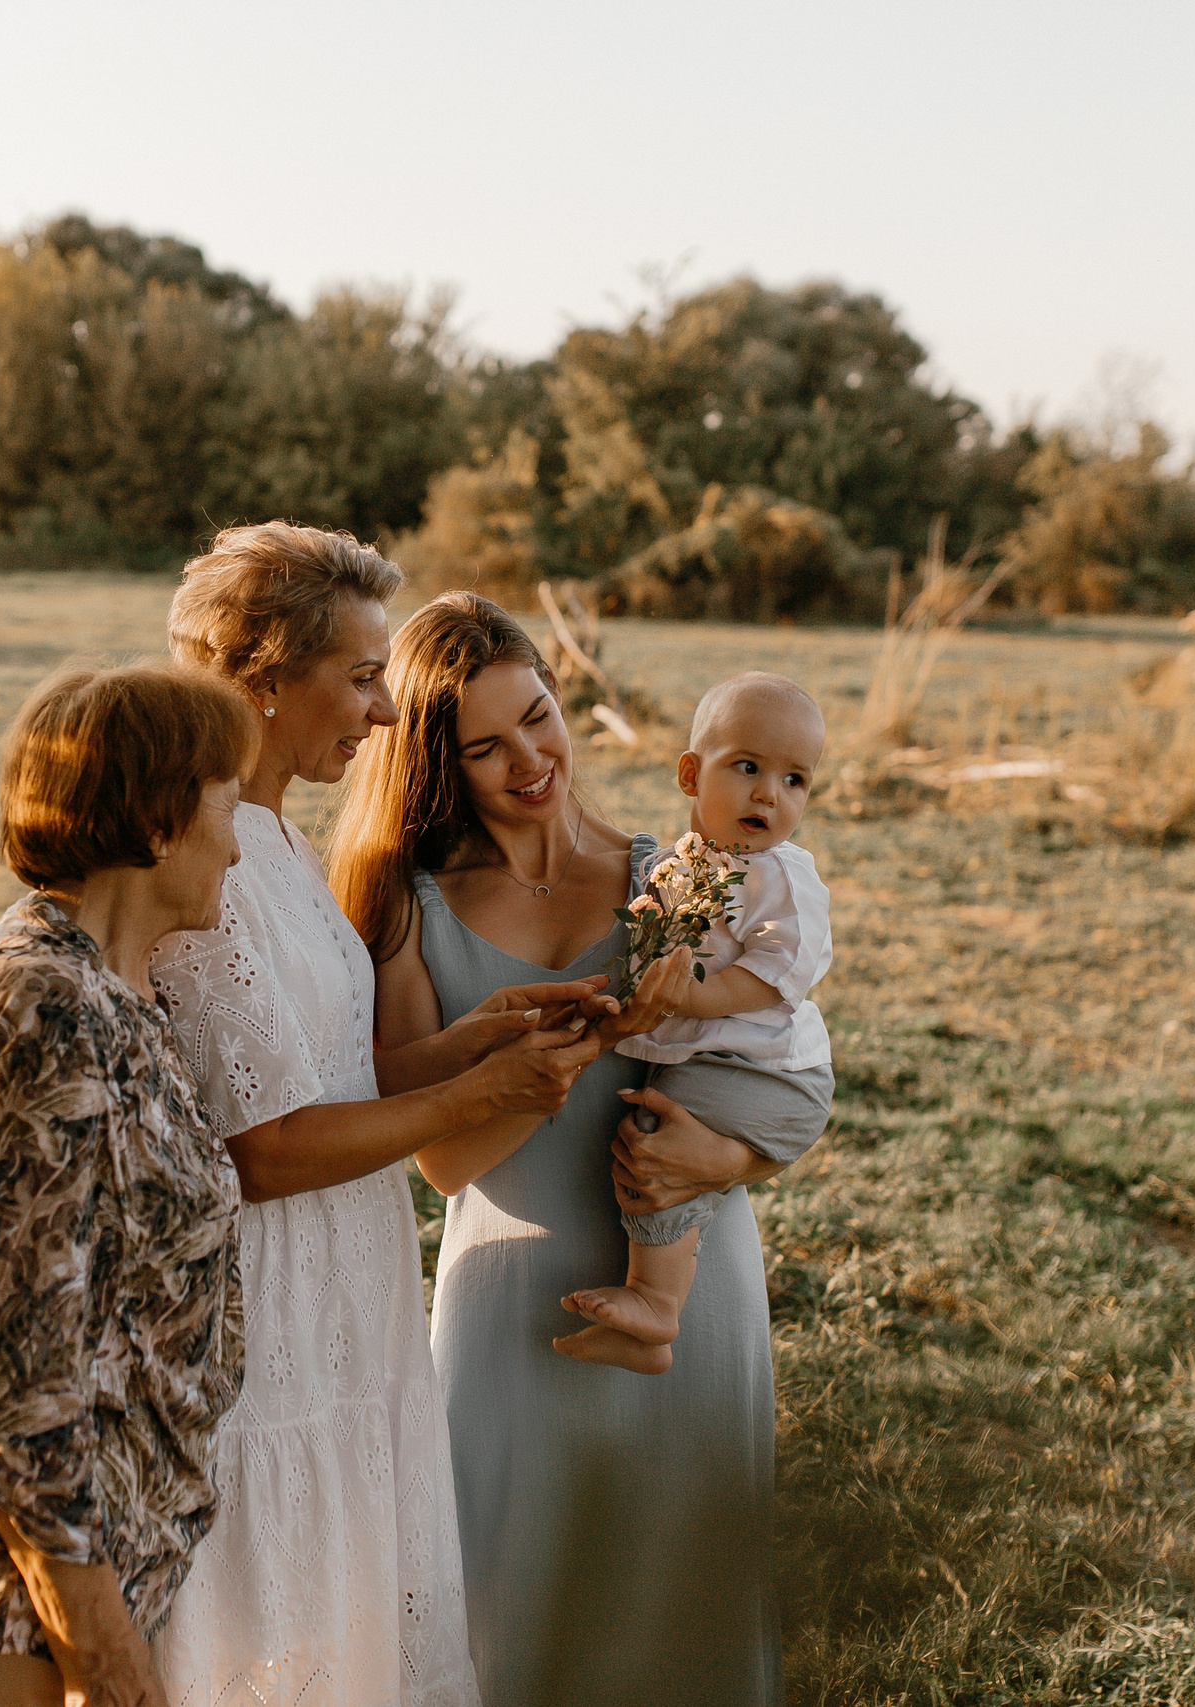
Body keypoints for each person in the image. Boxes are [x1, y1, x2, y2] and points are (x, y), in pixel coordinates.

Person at [149, 525, 670, 1707]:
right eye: (360, 676)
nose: (385, 713)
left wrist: (478, 1039)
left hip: (353, 1298)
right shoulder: (202, 859)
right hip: (264, 1320)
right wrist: (478, 1096)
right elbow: (259, 1148)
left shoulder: (276, 833)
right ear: (263, 679)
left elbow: (336, 1077)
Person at [332, 593, 820, 1706]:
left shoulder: (682, 870)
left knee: (684, 1626)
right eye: (486, 747)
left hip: (691, 1291)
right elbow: (446, 1167)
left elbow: (788, 1064)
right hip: (515, 1301)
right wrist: (544, 1065)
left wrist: (734, 1163)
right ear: (434, 763)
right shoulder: (409, 908)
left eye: (539, 718)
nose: (530, 763)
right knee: (513, 1620)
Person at [0, 663, 258, 1707]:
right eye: (227, 805)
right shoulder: (43, 1014)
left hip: (75, 1576)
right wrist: (107, 1660)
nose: (238, 844)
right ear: (160, 820)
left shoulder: (111, 988)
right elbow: (17, 1379)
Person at [566, 671, 837, 1374]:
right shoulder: (678, 864)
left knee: (652, 1138)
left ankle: (656, 1304)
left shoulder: (780, 874)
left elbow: (783, 966)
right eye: (748, 767)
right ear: (692, 773)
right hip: (726, 1067)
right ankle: (650, 1311)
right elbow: (647, 941)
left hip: (774, 1074)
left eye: (794, 780)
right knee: (652, 1135)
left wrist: (697, 993)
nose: (768, 794)